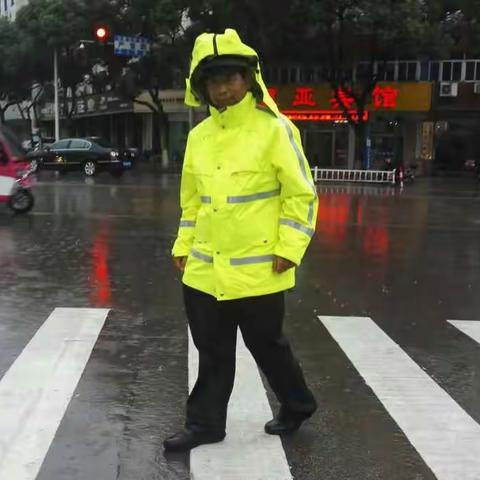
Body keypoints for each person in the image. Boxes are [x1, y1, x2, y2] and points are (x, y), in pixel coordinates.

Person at [165, 29, 319, 452]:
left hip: (260, 270)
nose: (223, 88)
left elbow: (301, 194)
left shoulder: (275, 130)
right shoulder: (198, 138)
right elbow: (192, 201)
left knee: (268, 347)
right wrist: (183, 247)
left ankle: (298, 403)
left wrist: (289, 250)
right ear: (202, 88)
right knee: (212, 352)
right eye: (213, 81)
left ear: (249, 79)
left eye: (231, 78)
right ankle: (205, 425)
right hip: (203, 271)